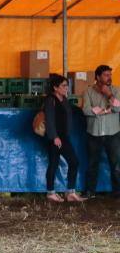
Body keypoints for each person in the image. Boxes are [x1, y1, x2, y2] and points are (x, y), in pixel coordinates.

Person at [44, 74, 86, 203]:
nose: (66, 88)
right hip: (57, 138)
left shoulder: (64, 99)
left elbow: (71, 111)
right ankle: (61, 193)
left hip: (63, 137)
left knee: (55, 164)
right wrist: (54, 137)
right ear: (55, 87)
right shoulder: (50, 100)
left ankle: (65, 193)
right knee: (70, 162)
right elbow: (49, 119)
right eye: (63, 86)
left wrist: (86, 108)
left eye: (67, 85)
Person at [81, 64, 120, 197]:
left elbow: (117, 109)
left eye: (110, 75)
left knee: (116, 165)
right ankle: (90, 191)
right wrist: (105, 111)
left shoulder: (116, 90)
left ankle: (117, 192)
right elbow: (85, 110)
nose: (109, 77)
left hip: (113, 133)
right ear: (98, 77)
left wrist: (109, 95)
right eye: (106, 75)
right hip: (94, 133)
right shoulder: (87, 91)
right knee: (92, 164)